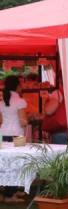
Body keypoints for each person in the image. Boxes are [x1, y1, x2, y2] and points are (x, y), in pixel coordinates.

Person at [0, 75, 28, 203]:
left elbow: (0, 120)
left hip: (3, 134)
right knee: (16, 164)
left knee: (6, 163)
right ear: (17, 86)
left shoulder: (2, 101)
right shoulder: (19, 101)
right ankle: (10, 195)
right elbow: (23, 122)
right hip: (17, 135)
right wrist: (28, 120)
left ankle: (10, 191)